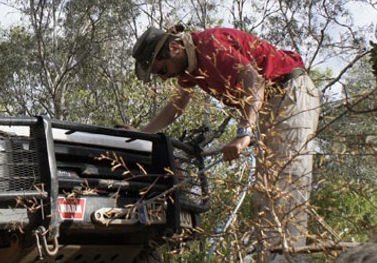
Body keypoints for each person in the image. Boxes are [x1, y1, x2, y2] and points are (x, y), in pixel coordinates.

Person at [132, 25, 320, 262]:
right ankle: (273, 257)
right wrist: (143, 134)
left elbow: (254, 79)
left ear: (174, 48)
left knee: (286, 184)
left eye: (162, 69)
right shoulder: (189, 70)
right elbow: (177, 106)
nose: (164, 76)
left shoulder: (211, 44)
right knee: (266, 193)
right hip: (270, 107)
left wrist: (244, 132)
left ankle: (290, 258)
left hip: (289, 93)